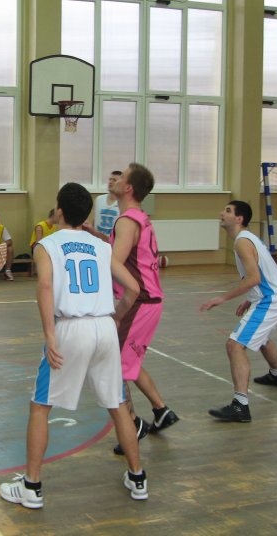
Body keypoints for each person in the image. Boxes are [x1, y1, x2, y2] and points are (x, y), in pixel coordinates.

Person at [0, 183, 149, 508]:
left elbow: (45, 286)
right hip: (104, 327)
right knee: (117, 405)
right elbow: (135, 289)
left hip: (71, 329)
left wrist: (50, 335)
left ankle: (31, 486)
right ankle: (138, 478)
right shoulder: (101, 246)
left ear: (59, 212)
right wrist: (117, 317)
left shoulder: (47, 244)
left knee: (40, 406)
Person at [109, 163, 179, 455]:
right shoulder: (139, 218)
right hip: (149, 302)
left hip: (139, 303)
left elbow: (114, 262)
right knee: (128, 363)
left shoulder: (126, 222)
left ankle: (133, 425)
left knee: (114, 367)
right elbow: (127, 254)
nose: (115, 179)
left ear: (128, 188)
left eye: (121, 177)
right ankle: (161, 411)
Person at [200, 200, 277, 423]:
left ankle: (240, 406)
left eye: (228, 211)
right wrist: (250, 299)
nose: (222, 213)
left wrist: (222, 298)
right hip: (270, 297)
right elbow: (262, 274)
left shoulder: (242, 242)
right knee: (262, 337)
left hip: (270, 300)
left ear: (239, 219)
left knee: (234, 345)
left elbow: (254, 278)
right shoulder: (247, 238)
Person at [93, 170, 123, 238]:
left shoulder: (123, 203)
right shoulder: (99, 199)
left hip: (113, 242)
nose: (110, 182)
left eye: (114, 180)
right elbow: (95, 221)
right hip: (98, 240)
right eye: (110, 179)